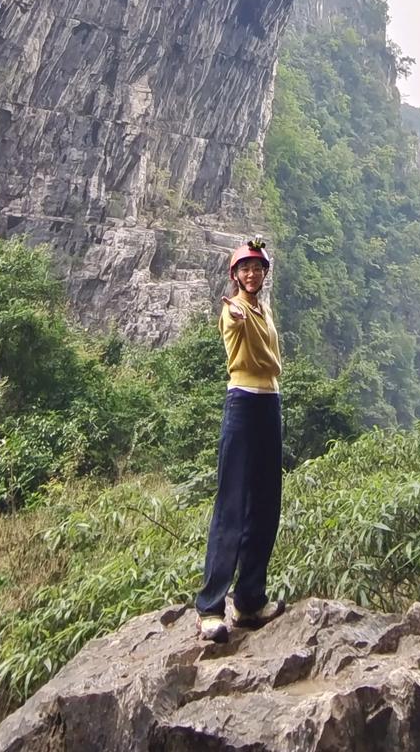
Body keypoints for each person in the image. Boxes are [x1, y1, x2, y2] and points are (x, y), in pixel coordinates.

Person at [195, 238, 286, 643]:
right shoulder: (234, 312)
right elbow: (235, 324)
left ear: (264, 274)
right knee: (231, 504)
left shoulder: (264, 308)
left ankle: (249, 601)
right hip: (244, 402)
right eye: (245, 269)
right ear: (235, 276)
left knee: (266, 505)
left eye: (258, 268)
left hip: (270, 403)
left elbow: (272, 360)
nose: (252, 274)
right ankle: (211, 608)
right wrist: (236, 313)